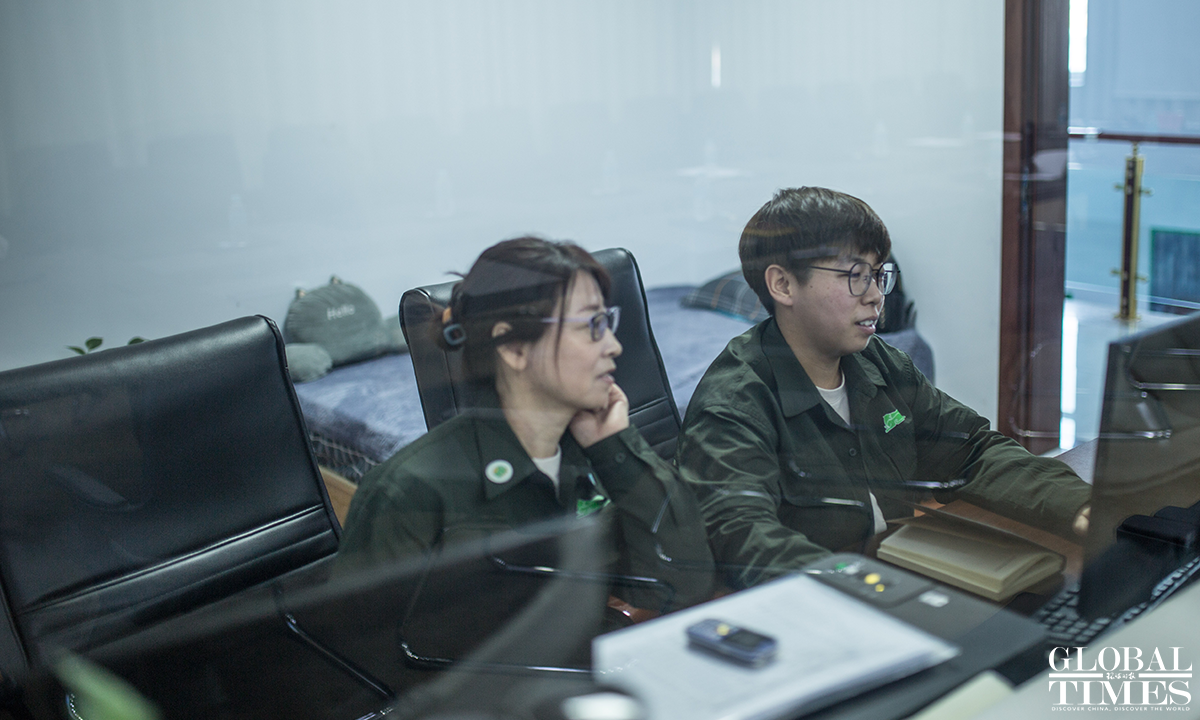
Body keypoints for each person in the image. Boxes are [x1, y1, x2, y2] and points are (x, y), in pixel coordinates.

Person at [676, 187, 1091, 590]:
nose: (876, 296)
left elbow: (971, 448)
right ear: (783, 285)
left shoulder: (878, 362)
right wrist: (875, 589)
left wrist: (1080, 506)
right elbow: (747, 541)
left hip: (892, 570)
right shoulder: (733, 404)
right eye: (856, 277)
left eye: (878, 276)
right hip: (828, 602)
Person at [338, 236, 715, 613]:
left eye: (607, 322)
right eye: (592, 325)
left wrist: (617, 447)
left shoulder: (595, 454)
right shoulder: (409, 492)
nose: (614, 346)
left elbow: (682, 584)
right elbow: (364, 640)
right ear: (514, 348)